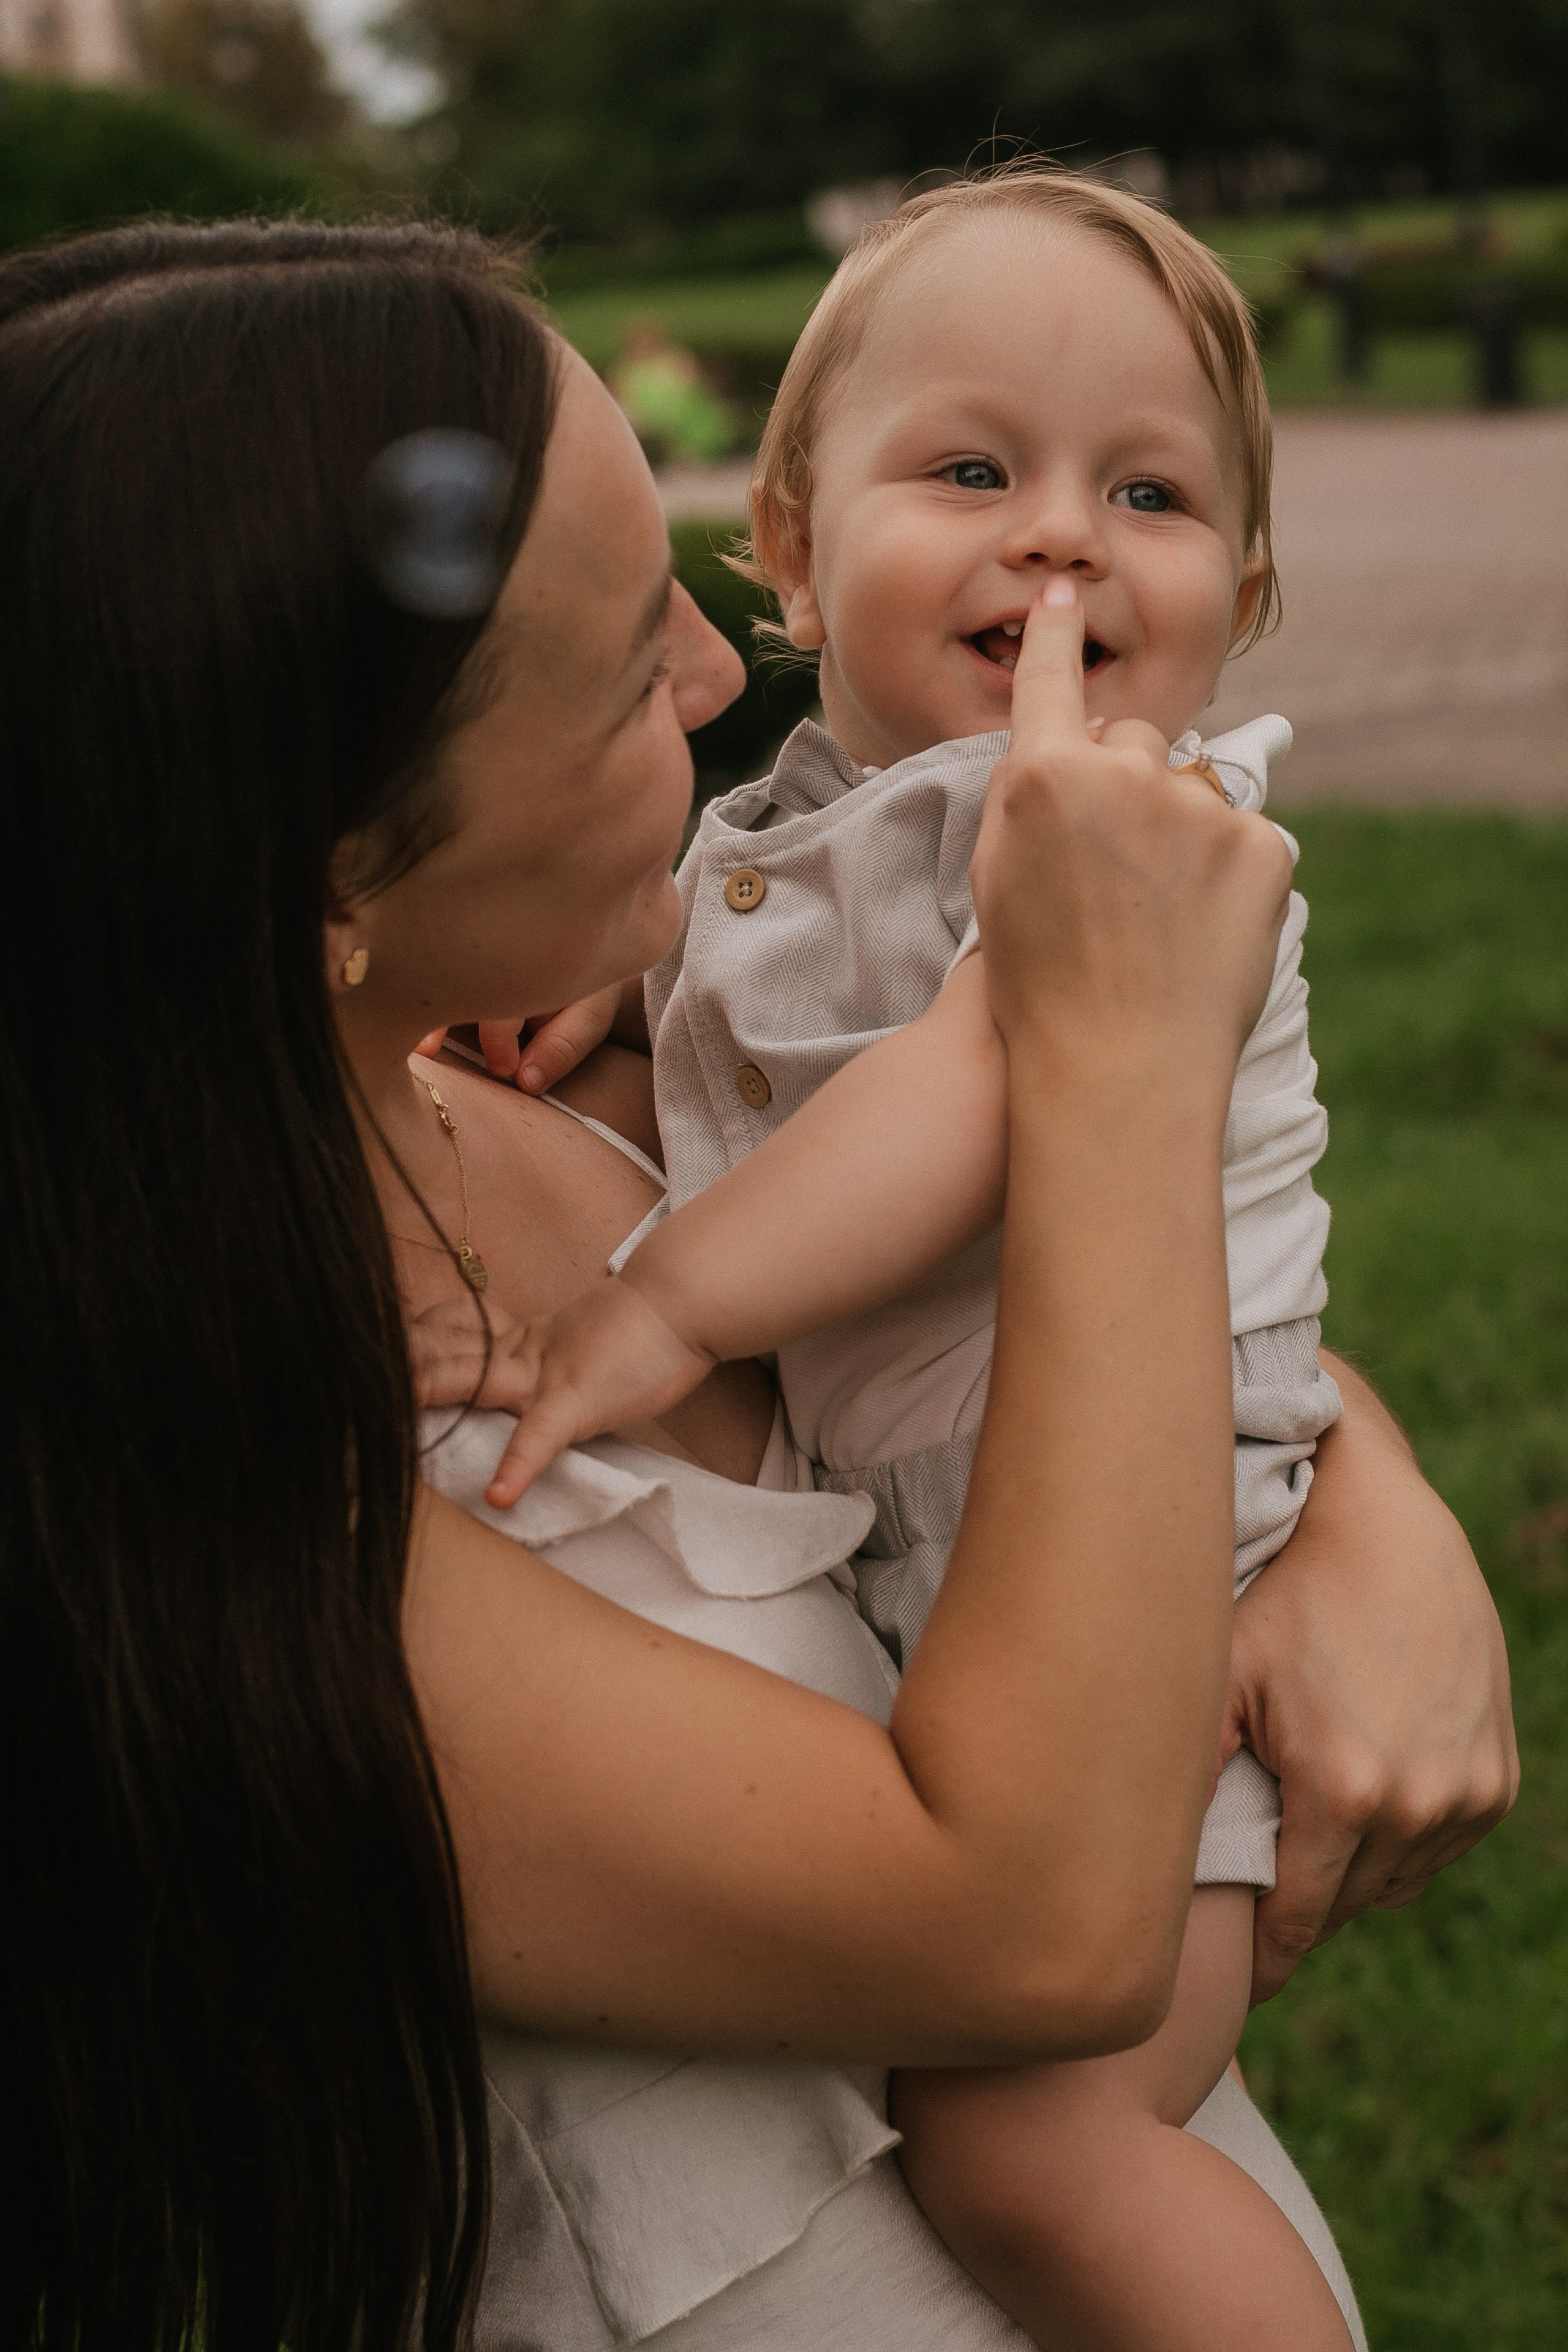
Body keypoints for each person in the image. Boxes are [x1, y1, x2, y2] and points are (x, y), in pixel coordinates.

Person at [0, 217, 1515, 2352]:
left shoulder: (538, 1099)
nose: (724, 682)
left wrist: (1367, 1495)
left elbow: (987, 1324)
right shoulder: (211, 1496)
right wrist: (1111, 1057)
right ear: (337, 860)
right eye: (632, 669)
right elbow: (1036, 1927)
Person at [409, 173, 1461, 2350]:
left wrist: (671, 1301)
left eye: (1149, 495)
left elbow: (971, 1088)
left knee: (1042, 2151)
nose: (1062, 536)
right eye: (973, 470)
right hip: (994, 1567)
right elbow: (765, 979)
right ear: (791, 544)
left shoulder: (1114, 824)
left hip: (1174, 1603)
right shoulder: (801, 828)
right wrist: (620, 996)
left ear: (1241, 592)